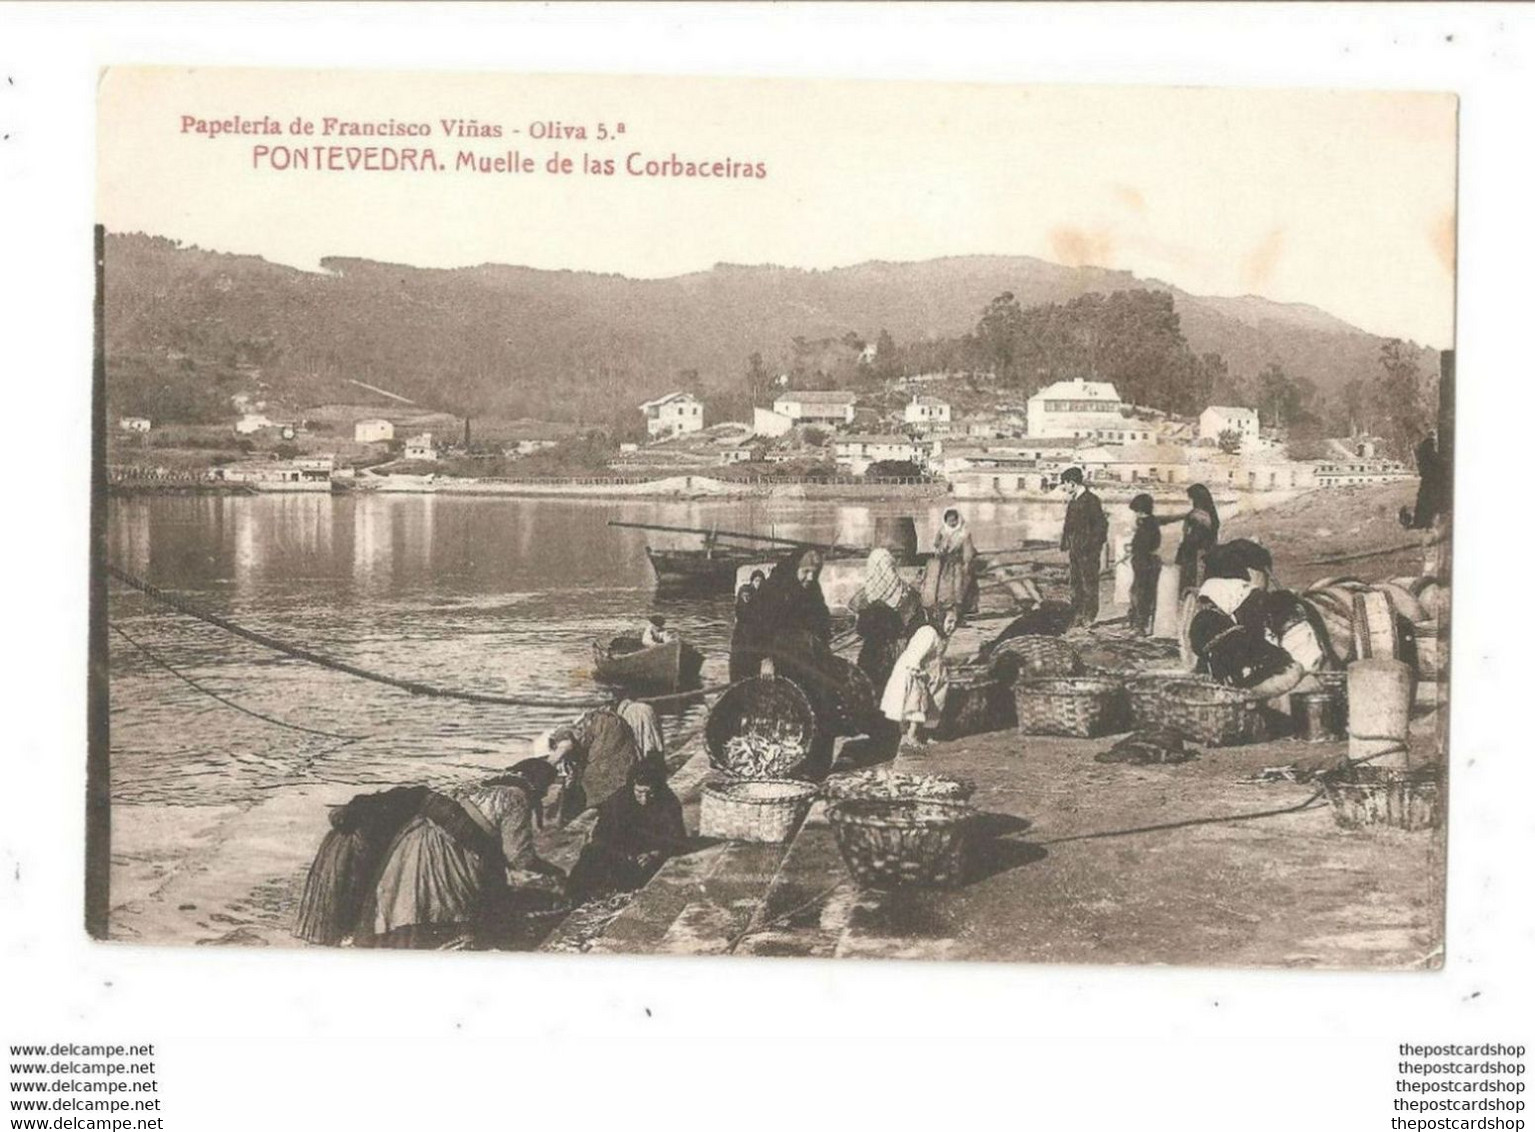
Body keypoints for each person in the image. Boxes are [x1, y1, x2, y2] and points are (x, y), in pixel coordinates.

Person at [361, 759, 563, 949]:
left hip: (416, 838)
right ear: (536, 784)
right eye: (545, 788)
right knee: (448, 907)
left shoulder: (484, 786)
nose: (544, 795)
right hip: (448, 851)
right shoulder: (516, 797)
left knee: (413, 901)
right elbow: (518, 857)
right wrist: (553, 870)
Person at [566, 760, 689, 902]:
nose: (644, 799)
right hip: (621, 851)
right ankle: (575, 897)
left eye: (650, 793)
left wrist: (656, 853)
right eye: (639, 792)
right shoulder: (618, 801)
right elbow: (602, 834)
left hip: (651, 853)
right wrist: (623, 853)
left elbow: (677, 838)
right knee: (590, 853)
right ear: (632, 787)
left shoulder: (669, 802)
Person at [880, 606, 958, 750]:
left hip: (932, 673)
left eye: (955, 623)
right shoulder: (928, 633)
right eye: (949, 622)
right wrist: (917, 671)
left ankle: (926, 733)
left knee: (936, 702)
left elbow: (936, 656)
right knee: (916, 703)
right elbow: (915, 654)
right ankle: (910, 735)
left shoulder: (942, 636)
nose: (952, 626)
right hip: (913, 670)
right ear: (940, 620)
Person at [546, 707, 642, 822]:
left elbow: (565, 747)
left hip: (607, 752)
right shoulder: (573, 733)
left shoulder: (567, 740)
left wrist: (544, 767)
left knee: (595, 786)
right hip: (606, 750)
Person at [848, 547, 919, 693]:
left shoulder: (866, 596)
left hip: (873, 652)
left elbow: (860, 628)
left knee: (876, 689)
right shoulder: (907, 592)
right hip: (899, 650)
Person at [1059, 467, 1108, 630]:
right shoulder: (1073, 500)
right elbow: (1068, 525)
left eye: (1065, 484)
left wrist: (1091, 547)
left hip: (1088, 551)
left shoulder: (1091, 500)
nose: (1064, 488)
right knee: (1076, 583)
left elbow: (1101, 527)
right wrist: (1065, 543)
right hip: (1075, 549)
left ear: (1072, 483)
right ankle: (1077, 614)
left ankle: (1089, 616)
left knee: (1089, 584)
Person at [919, 508, 978, 619]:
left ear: (958, 520)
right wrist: (941, 547)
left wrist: (966, 563)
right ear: (946, 521)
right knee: (944, 586)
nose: (952, 523)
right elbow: (936, 543)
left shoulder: (963, 533)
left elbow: (968, 550)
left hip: (958, 564)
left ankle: (958, 609)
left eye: (954, 520)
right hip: (945, 563)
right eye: (949, 521)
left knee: (958, 586)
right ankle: (944, 607)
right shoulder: (943, 531)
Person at [1125, 493, 1162, 636]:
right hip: (1146, 561)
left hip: (1143, 562)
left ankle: (1139, 625)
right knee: (1139, 592)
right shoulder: (1151, 523)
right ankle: (1137, 623)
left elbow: (1143, 545)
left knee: (1140, 594)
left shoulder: (1146, 526)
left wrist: (1134, 549)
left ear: (1141, 511)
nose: (1135, 515)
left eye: (1136, 512)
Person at [1173, 484, 1221, 595]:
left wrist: (1183, 546)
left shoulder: (1196, 516)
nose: (1189, 501)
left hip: (1193, 556)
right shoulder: (1211, 515)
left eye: (1190, 498)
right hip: (1208, 554)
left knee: (1190, 588)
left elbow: (1193, 538)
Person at [1401, 429, 1446, 530]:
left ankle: (1420, 522)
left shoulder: (1423, 447)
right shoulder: (1429, 446)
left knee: (1423, 500)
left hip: (1427, 477)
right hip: (1431, 478)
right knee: (1430, 501)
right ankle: (1426, 523)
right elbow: (1435, 459)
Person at [615, 695, 665, 769]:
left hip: (636, 715)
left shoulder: (623, 712)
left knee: (638, 742)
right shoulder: (644, 706)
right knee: (653, 737)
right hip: (648, 711)